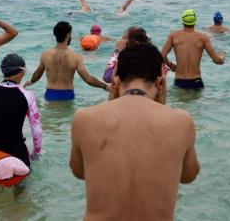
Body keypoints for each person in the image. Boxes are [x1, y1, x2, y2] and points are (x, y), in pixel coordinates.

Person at [69, 42, 199, 220]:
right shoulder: (181, 121)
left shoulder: (84, 118)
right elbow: (188, 176)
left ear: (116, 80)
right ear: (160, 82)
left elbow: (79, 172)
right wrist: (161, 106)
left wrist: (111, 103)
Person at [0, 54, 42, 171]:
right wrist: (36, 153)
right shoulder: (27, 96)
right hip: (18, 155)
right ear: (20, 71)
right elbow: (37, 131)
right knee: (24, 182)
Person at [25, 21, 109, 101]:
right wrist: (105, 86)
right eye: (71, 34)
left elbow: (38, 74)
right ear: (67, 35)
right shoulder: (76, 57)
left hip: (50, 95)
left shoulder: (45, 54)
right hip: (68, 96)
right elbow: (88, 79)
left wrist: (30, 82)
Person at [161, 9, 226, 90]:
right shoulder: (203, 37)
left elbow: (162, 55)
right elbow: (217, 60)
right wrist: (222, 58)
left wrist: (171, 65)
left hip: (180, 80)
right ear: (195, 21)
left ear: (183, 21)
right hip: (196, 81)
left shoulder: (173, 36)